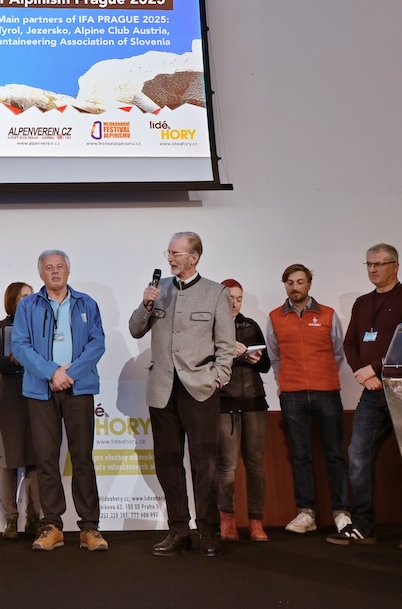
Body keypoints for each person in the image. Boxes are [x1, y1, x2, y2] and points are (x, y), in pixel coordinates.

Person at [129, 232, 237, 556]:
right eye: (169, 253)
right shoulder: (158, 290)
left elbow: (227, 344)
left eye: (176, 253)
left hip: (199, 388)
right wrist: (146, 305)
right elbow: (136, 329)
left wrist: (218, 378)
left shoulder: (216, 293)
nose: (170, 258)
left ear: (194, 257)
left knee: (205, 464)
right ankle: (179, 530)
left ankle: (208, 531)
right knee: (167, 462)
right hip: (162, 389)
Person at [328, 245, 402, 549]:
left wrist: (372, 368)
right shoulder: (362, 303)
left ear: (395, 266)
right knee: (358, 454)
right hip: (372, 392)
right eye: (369, 264)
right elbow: (350, 343)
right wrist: (362, 372)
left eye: (379, 264)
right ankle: (363, 525)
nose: (373, 269)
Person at [11, 251, 107, 552]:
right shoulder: (28, 305)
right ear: (41, 274)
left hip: (79, 389)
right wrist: (52, 372)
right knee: (46, 459)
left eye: (60, 267)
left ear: (68, 271)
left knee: (82, 458)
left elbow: (97, 344)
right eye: (49, 268)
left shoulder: (87, 303)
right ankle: (52, 525)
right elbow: (20, 345)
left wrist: (70, 374)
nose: (55, 272)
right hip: (41, 390)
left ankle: (89, 527)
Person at [264, 264, 350, 536]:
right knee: (300, 455)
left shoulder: (328, 314)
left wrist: (321, 375)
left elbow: (338, 352)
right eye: (290, 282)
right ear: (285, 285)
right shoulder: (275, 317)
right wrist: (284, 382)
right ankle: (306, 512)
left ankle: (342, 512)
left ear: (309, 284)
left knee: (334, 453)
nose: (295, 287)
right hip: (292, 394)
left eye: (300, 282)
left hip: (326, 392)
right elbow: (274, 356)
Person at [215, 279, 271, 543]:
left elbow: (266, 365)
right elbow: (202, 363)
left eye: (239, 298)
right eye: (230, 298)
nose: (235, 303)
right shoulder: (210, 325)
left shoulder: (250, 325)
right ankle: (227, 521)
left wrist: (254, 358)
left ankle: (256, 522)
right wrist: (229, 353)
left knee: (255, 464)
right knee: (227, 466)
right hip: (224, 402)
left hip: (254, 401)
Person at [0, 281, 42, 539]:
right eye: (23, 296)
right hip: (9, 402)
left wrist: (25, 358)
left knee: (35, 461)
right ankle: (10, 519)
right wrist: (19, 361)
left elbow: (46, 360)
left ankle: (34, 518)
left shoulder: (42, 325)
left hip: (35, 399)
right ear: (12, 299)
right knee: (8, 463)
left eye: (30, 296)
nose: (28, 300)